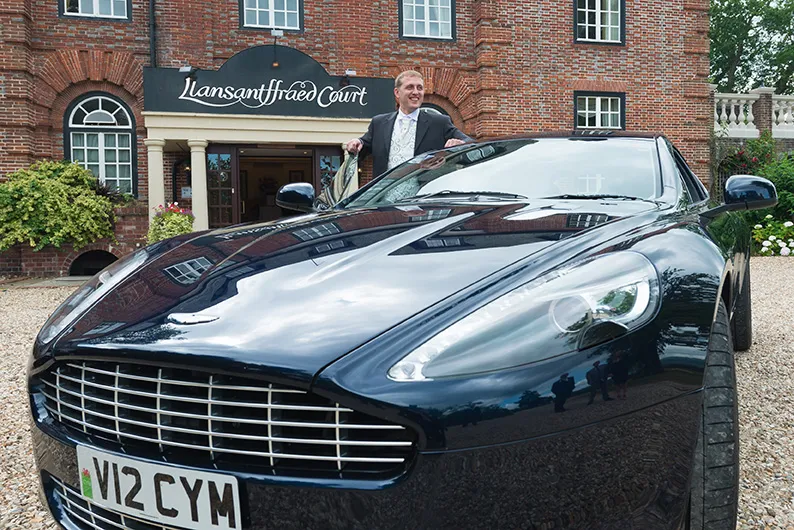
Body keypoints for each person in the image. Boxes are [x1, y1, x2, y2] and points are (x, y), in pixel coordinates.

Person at [344, 70, 473, 179]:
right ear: (397, 93)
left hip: (423, 198)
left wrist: (460, 145)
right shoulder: (379, 123)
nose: (416, 92)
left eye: (420, 88)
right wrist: (357, 142)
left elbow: (471, 143)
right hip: (384, 199)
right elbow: (363, 147)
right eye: (410, 87)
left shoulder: (439, 122)